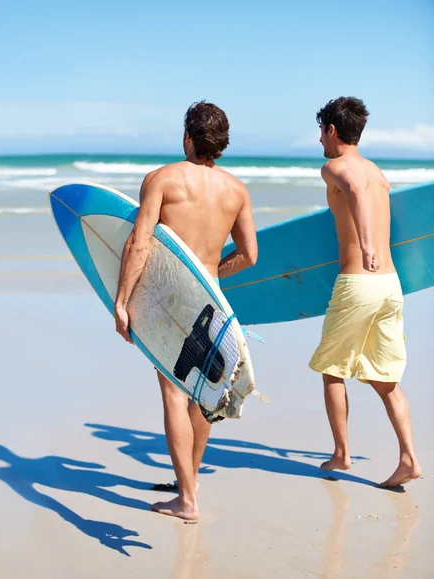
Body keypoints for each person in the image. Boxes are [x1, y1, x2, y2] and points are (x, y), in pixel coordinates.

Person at [113, 101, 258, 520]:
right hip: (212, 298)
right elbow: (249, 255)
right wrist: (213, 275)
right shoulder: (237, 191)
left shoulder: (162, 179)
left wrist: (122, 302)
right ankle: (188, 481)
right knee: (202, 395)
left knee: (174, 395)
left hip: (171, 297)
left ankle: (188, 500)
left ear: (188, 137)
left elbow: (138, 243)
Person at [309, 96, 422, 488]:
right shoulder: (378, 172)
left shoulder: (335, 167)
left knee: (331, 370)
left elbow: (353, 190)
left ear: (332, 130)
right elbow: (365, 192)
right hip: (390, 286)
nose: (320, 140)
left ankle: (341, 454)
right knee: (385, 378)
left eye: (321, 131)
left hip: (357, 283)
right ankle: (408, 458)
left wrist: (367, 245)